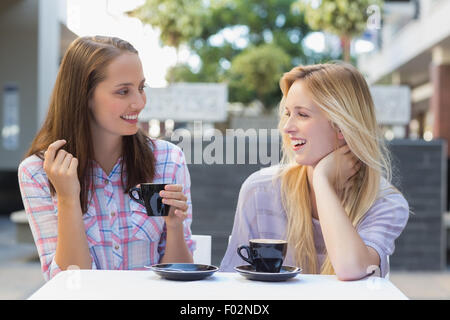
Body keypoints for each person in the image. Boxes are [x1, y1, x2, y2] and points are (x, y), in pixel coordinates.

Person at [18, 36, 194, 281]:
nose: (139, 102)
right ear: (85, 96)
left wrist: (174, 227)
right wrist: (68, 198)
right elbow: (69, 284)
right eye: (123, 91)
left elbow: (180, 280)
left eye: (141, 88)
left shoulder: (167, 159)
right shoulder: (38, 172)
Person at [220, 62, 409, 280]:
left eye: (302, 114)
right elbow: (231, 284)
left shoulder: (384, 203)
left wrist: (322, 180)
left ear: (341, 126)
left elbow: (351, 268)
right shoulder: (260, 190)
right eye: (288, 113)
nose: (287, 127)